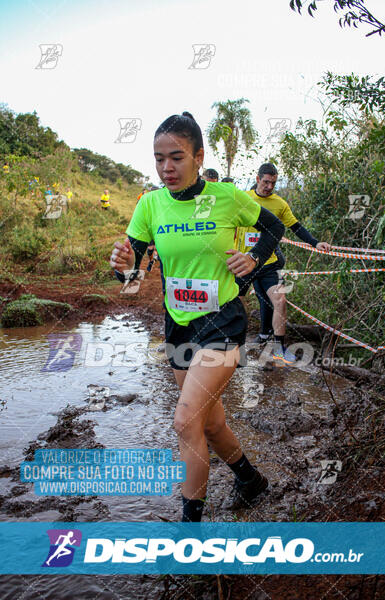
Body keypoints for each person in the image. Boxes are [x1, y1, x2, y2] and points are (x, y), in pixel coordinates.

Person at [110, 112, 285, 521]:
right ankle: (250, 479)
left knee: (185, 419)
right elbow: (134, 268)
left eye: (176, 157)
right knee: (208, 422)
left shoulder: (227, 196)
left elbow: (274, 227)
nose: (166, 168)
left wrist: (254, 259)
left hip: (222, 319)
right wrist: (121, 266)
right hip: (178, 324)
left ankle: (190, 532)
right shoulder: (150, 205)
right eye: (158, 159)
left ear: (197, 155)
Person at [235, 163, 331, 364]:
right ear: (258, 178)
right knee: (237, 303)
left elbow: (296, 227)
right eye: (266, 182)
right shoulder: (241, 198)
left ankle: (279, 346)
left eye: (273, 183)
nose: (269, 186)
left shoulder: (279, 204)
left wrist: (315, 242)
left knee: (280, 300)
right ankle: (236, 344)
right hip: (243, 261)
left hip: (267, 261)